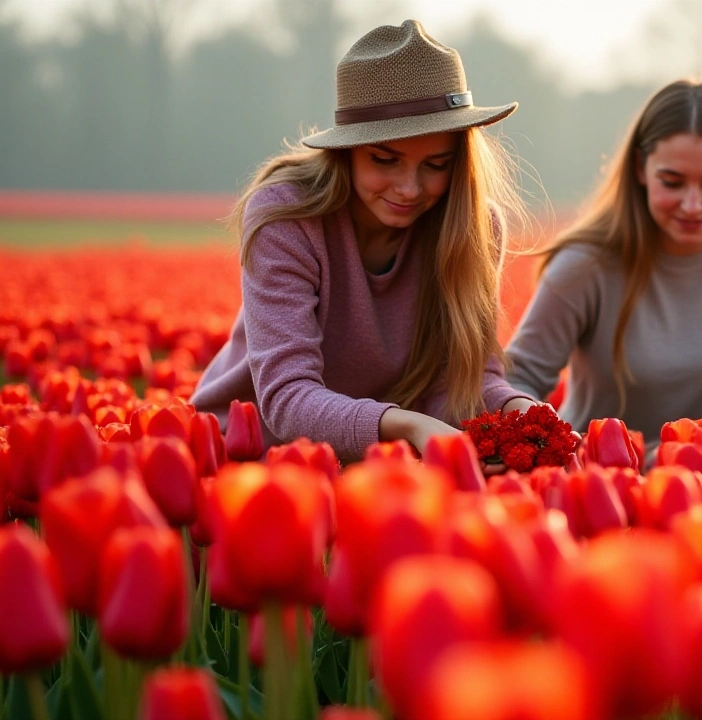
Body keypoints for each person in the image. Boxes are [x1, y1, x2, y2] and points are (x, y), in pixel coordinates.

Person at [190, 20, 536, 463]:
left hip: (377, 461)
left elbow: (461, 384)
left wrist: (516, 409)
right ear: (346, 151)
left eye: (436, 164)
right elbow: (287, 398)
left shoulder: (469, 225)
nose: (410, 188)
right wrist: (407, 425)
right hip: (251, 458)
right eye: (385, 160)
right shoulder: (287, 218)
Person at [505, 78, 702, 450]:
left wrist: (698, 447)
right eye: (672, 182)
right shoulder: (587, 263)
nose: (692, 205)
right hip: (591, 485)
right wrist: (558, 444)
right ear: (642, 167)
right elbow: (518, 378)